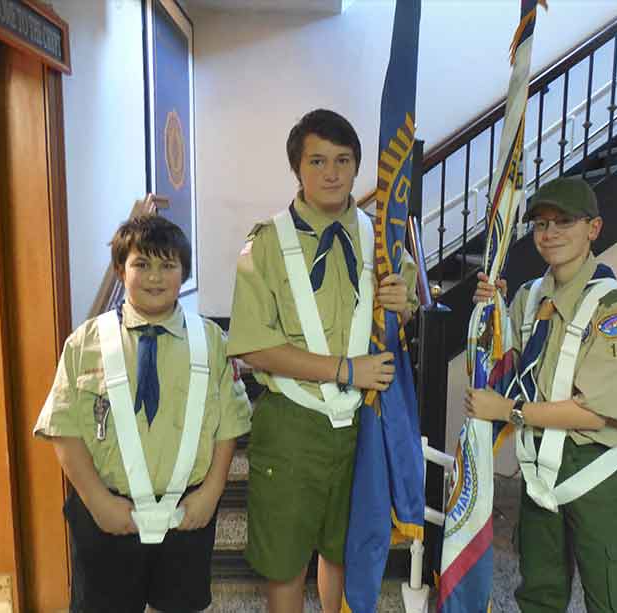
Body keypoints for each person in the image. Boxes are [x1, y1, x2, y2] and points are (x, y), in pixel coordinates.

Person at [227, 108, 419, 613]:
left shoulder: (384, 239)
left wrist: (404, 304)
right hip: (293, 423)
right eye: (317, 160)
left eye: (343, 159)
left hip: (362, 423)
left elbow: (403, 317)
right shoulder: (265, 245)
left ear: (357, 168)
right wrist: (343, 370)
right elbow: (251, 345)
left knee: (345, 551)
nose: (331, 172)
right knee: (285, 561)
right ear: (298, 169)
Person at [34, 215, 251, 613]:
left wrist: (213, 491)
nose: (155, 276)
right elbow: (63, 428)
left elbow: (229, 425)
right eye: (141, 264)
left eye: (168, 265)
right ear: (121, 269)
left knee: (181, 605)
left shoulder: (211, 342)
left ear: (184, 272)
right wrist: (97, 501)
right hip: (107, 514)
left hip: (188, 513)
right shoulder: (86, 342)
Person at [469, 176, 617, 612]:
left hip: (598, 472)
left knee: (616, 599)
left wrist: (511, 412)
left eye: (564, 222)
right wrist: (492, 310)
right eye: (540, 224)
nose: (549, 234)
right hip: (539, 475)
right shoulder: (529, 298)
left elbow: (599, 413)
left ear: (593, 228)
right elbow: (509, 366)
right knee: (539, 594)